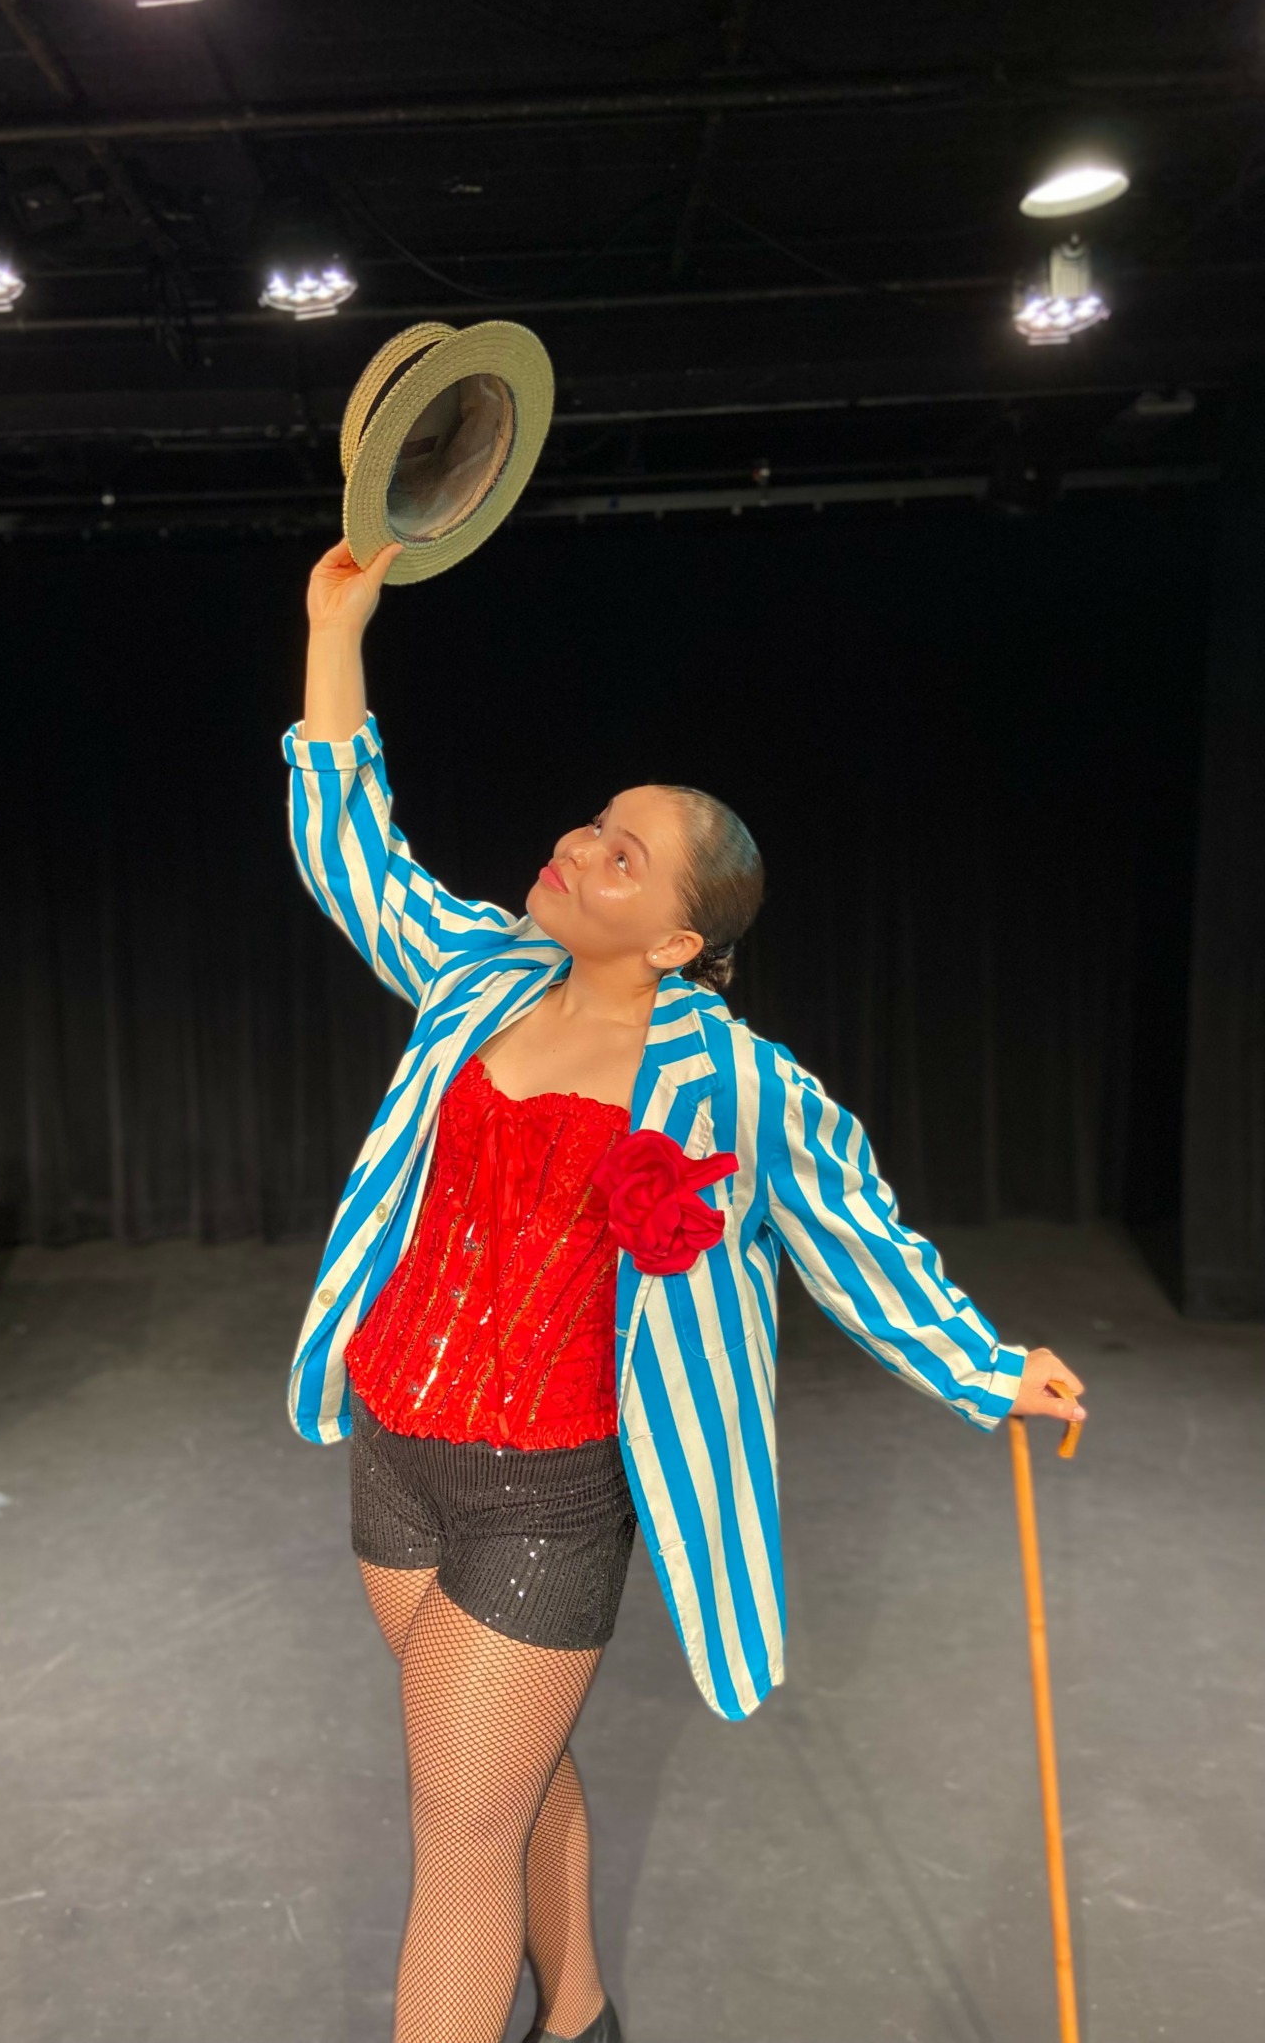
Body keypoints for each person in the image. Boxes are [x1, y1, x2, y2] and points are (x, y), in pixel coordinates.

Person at [281, 535, 1090, 2043]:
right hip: (395, 1449)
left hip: (547, 1494)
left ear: (676, 938)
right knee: (505, 1776)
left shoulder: (739, 1087)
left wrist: (992, 1368)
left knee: (457, 1828)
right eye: (594, 824)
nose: (578, 847)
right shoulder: (477, 973)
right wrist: (339, 632)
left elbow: (864, 1247)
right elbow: (354, 858)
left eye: (622, 855)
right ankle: (581, 2011)